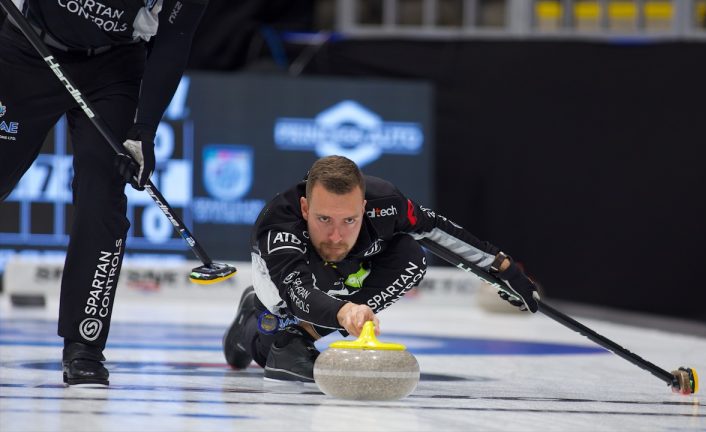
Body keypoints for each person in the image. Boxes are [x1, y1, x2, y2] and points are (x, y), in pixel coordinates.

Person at [0, 0, 208, 386]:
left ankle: (85, 345)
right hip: (29, 47)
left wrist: (144, 128)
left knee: (103, 196)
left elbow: (175, 38)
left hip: (113, 69)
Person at [223, 155, 540, 383]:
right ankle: (250, 326)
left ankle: (296, 337)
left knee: (411, 255)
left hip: (341, 279)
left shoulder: (386, 202)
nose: (336, 235)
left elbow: (435, 229)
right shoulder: (279, 225)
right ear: (305, 208)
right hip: (285, 291)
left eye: (349, 220)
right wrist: (346, 312)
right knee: (269, 348)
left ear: (363, 207)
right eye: (323, 220)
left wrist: (503, 268)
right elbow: (297, 291)